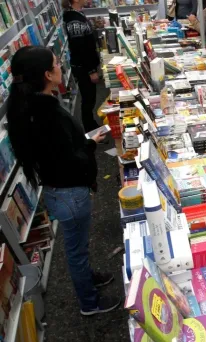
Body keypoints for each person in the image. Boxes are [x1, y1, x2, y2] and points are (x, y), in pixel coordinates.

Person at [6, 47, 120, 315]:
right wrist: (90, 145)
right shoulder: (48, 115)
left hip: (61, 190)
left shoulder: (32, 107)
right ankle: (89, 303)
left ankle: (89, 278)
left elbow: (58, 152)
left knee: (78, 244)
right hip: (69, 193)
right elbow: (69, 159)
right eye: (56, 63)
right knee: (77, 250)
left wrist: (83, 143)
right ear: (47, 74)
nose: (60, 65)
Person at [62, 0, 101, 133]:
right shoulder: (74, 21)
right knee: (88, 99)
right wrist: (91, 70)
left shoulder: (76, 15)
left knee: (89, 99)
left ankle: (92, 126)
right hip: (83, 68)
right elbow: (81, 50)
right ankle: (90, 131)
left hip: (83, 66)